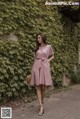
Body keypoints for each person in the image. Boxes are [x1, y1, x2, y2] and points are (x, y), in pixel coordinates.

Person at [30, 33, 54, 116]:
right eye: (37, 38)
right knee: (38, 87)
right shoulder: (37, 48)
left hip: (45, 67)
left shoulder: (49, 47)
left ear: (43, 38)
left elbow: (53, 56)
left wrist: (48, 60)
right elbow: (34, 59)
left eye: (39, 37)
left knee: (43, 87)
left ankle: (42, 103)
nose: (38, 39)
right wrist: (32, 70)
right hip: (37, 67)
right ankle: (41, 106)